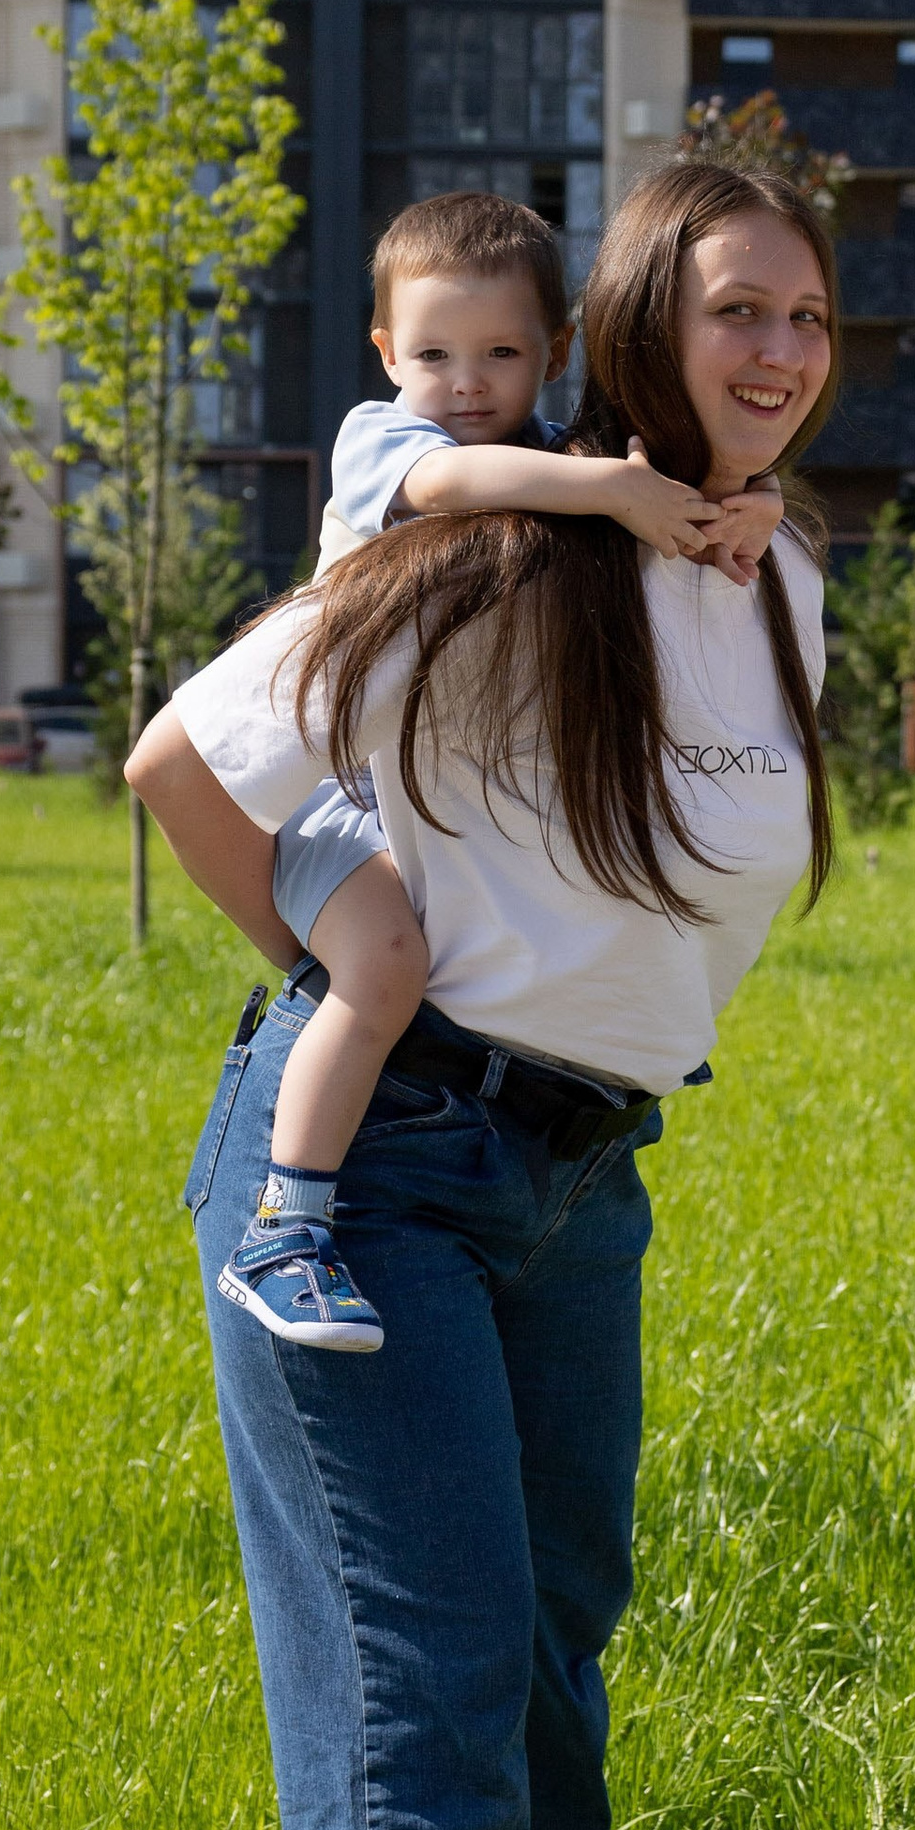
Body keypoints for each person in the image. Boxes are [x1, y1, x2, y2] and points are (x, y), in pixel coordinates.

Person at [127, 159, 838, 1830]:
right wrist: (345, 978)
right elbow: (182, 763)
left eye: (809, 315)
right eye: (735, 309)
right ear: (637, 323)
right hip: (383, 1167)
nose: (779, 352)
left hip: (581, 1171)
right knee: (424, 1665)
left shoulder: (775, 580)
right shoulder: (495, 546)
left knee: (553, 1616)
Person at [218, 189, 780, 1357]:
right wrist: (615, 491)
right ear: (386, 352)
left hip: (434, 821)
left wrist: (749, 502)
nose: (465, 384)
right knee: (382, 973)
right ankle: (287, 1223)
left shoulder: (553, 459)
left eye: (502, 355)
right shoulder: (388, 440)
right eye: (433, 355)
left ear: (556, 352)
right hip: (340, 810)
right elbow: (448, 491)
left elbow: (667, 484)